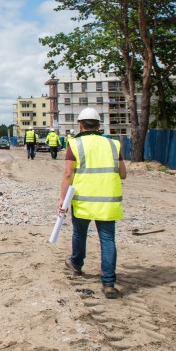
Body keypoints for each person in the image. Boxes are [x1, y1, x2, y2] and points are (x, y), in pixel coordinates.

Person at [60, 107, 126, 299]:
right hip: (108, 201)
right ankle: (108, 284)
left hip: (83, 201)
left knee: (80, 234)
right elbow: (123, 174)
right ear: (99, 126)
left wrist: (62, 199)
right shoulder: (114, 145)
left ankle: (77, 265)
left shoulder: (75, 144)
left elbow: (68, 174)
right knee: (107, 240)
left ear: (80, 125)